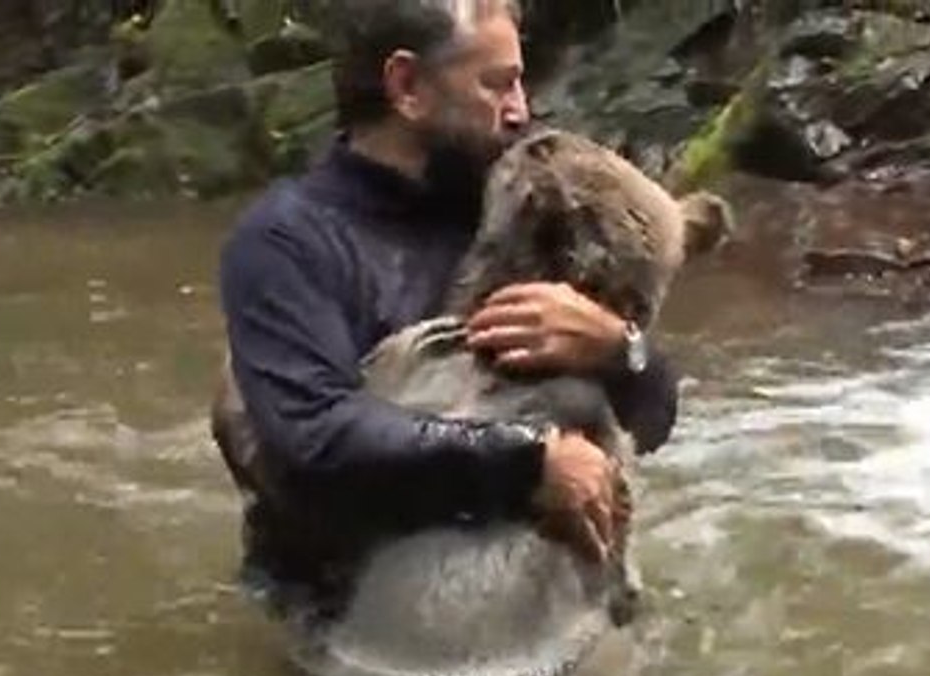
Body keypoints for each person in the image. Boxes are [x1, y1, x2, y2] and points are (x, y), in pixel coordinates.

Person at [215, 0, 680, 616]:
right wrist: (531, 465)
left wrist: (619, 350)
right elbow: (312, 440)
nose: (521, 110)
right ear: (407, 86)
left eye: (520, 83)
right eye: (497, 84)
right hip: (348, 614)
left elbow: (653, 426)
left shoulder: (533, 204)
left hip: (541, 602)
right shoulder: (288, 241)